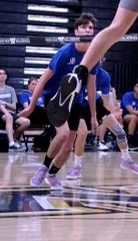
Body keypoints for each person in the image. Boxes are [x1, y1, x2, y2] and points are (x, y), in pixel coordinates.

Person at [18, 13, 99, 190]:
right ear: (76, 31)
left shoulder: (94, 56)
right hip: (55, 97)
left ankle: (52, 174)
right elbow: (43, 79)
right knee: (61, 135)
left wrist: (93, 115)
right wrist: (32, 105)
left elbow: (91, 88)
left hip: (75, 101)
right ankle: (43, 168)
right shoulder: (64, 52)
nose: (88, 30)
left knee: (68, 146)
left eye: (90, 28)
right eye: (84, 27)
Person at [65, 65, 138, 180]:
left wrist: (114, 109)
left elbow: (106, 101)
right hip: (79, 105)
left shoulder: (104, 76)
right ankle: (76, 167)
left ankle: (126, 159)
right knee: (81, 134)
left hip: (97, 103)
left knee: (119, 131)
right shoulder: (78, 71)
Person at [0, 69, 25, 150]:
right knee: (8, 117)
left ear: (7, 76)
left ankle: (11, 139)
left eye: (4, 74)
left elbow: (14, 107)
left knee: (26, 122)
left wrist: (6, 104)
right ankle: (11, 143)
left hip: (10, 112)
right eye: (0, 74)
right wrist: (6, 112)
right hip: (1, 113)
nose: (2, 75)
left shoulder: (11, 89)